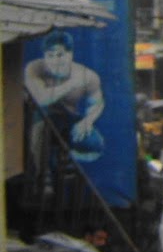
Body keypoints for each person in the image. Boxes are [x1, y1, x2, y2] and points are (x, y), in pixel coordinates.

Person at [23, 30, 106, 169]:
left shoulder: (87, 75)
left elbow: (97, 103)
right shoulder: (34, 68)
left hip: (65, 117)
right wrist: (71, 84)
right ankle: (40, 173)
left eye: (60, 55)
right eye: (50, 55)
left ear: (70, 54)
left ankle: (65, 160)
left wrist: (87, 121)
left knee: (94, 145)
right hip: (34, 116)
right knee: (40, 127)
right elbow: (41, 99)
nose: (55, 60)